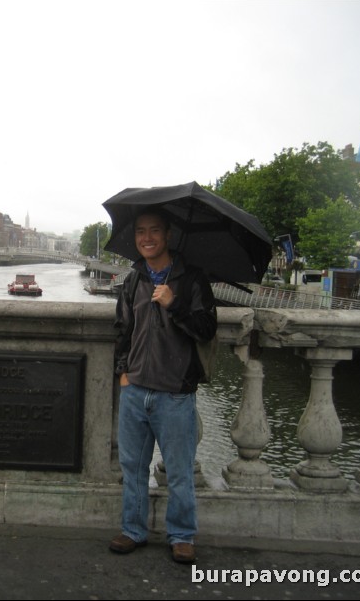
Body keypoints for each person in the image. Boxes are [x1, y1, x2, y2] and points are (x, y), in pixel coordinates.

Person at [110, 208, 217, 564]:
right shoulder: (133, 280)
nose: (147, 237)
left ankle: (182, 535)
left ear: (168, 235)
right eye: (141, 231)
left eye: (154, 230)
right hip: (135, 390)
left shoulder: (192, 279)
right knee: (133, 468)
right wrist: (123, 372)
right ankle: (133, 530)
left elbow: (206, 329)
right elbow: (122, 331)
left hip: (174, 392)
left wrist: (175, 304)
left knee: (179, 471)